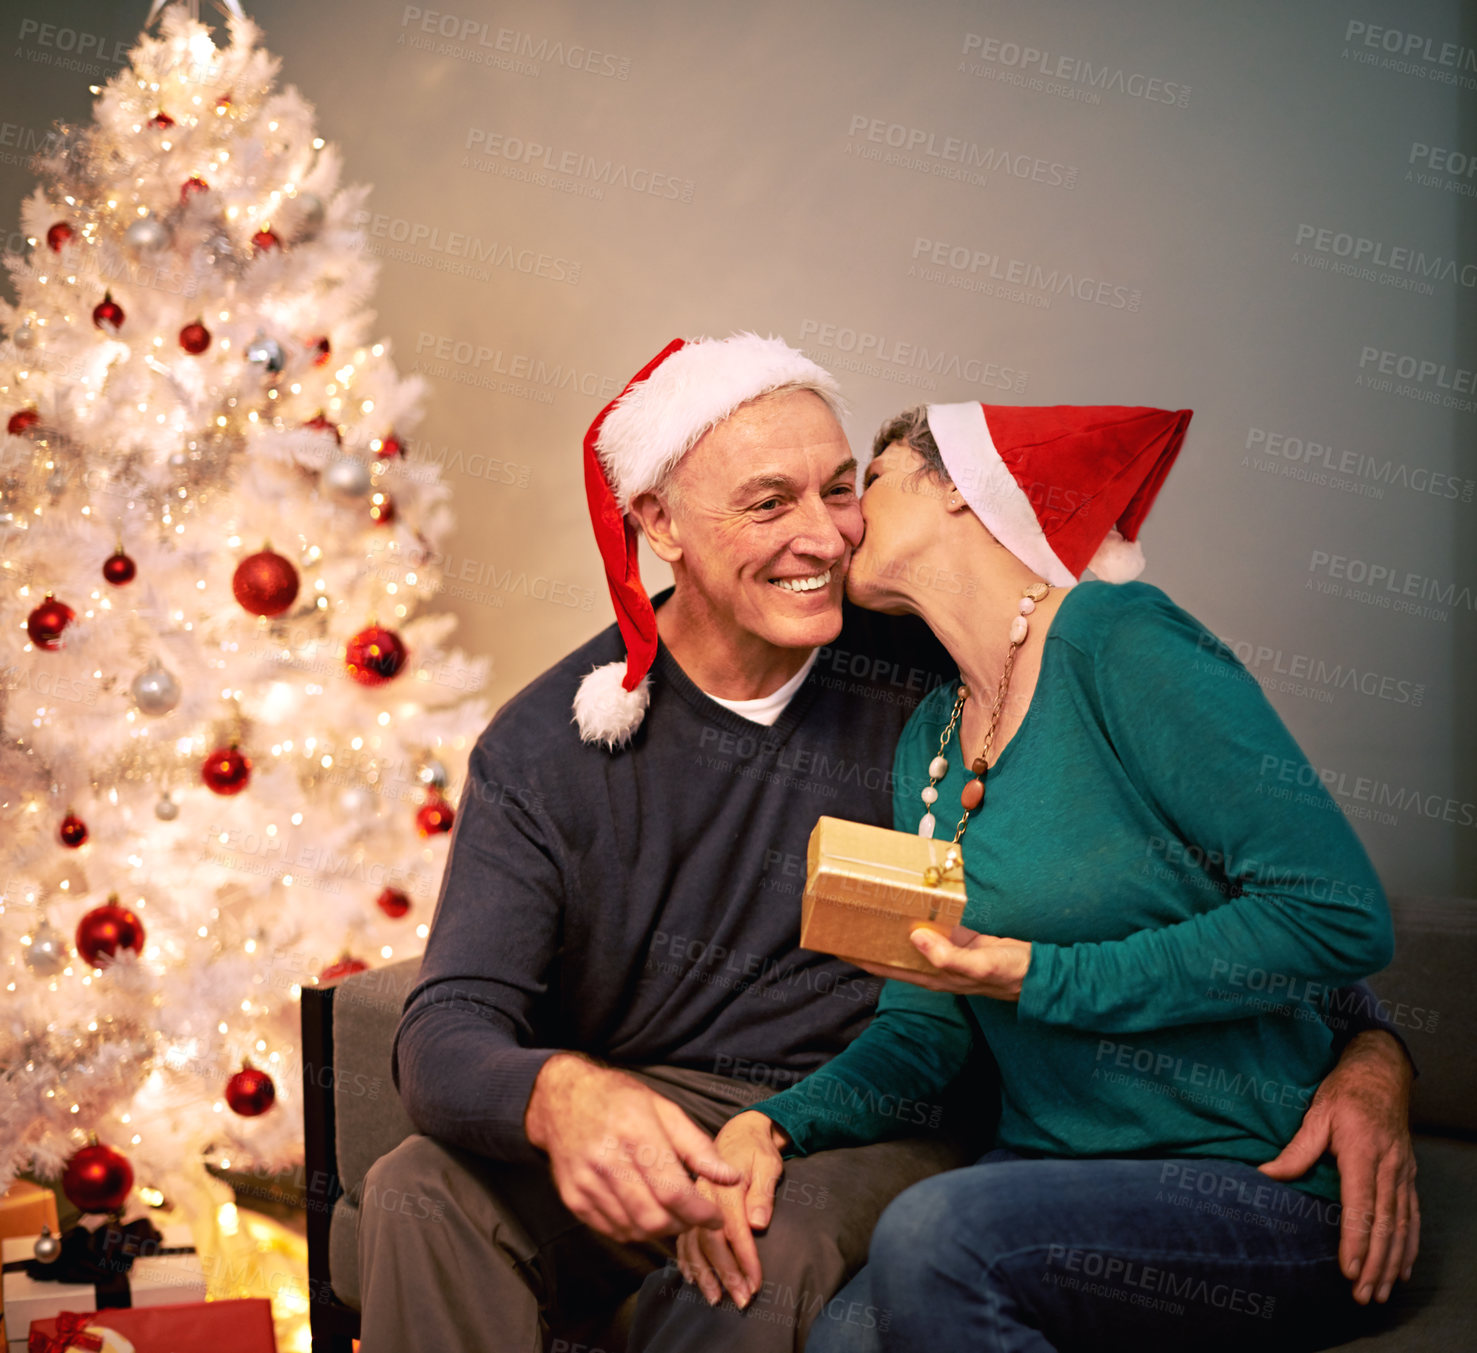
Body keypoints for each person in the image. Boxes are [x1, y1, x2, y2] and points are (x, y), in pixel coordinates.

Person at [356, 342, 1416, 1353]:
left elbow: (1258, 884)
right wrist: (561, 1096)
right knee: (416, 1187)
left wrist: (1370, 1059)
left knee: (755, 1257)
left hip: (886, 1119)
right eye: (769, 502)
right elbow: (447, 1027)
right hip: (682, 1106)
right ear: (659, 523)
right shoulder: (561, 744)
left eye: (841, 487)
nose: (826, 536)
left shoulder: (952, 661)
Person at [678, 401, 1418, 1353]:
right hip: (1043, 1178)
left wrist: (1043, 975)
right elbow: (924, 1025)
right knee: (841, 1342)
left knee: (934, 1234)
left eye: (870, 480)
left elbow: (1335, 917)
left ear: (957, 488)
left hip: (1249, 1181)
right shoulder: (929, 745)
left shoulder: (1120, 641)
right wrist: (771, 1127)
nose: (842, 520)